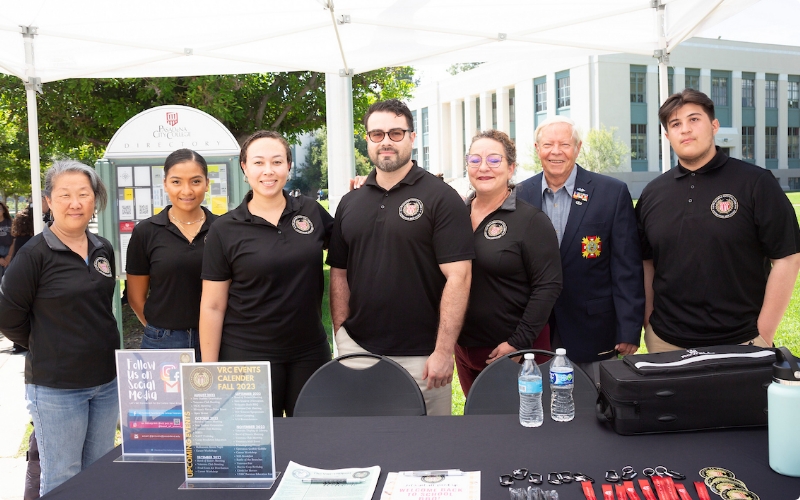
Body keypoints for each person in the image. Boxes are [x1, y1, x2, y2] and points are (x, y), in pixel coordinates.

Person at [327, 99, 474, 415]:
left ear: (412, 137)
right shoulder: (350, 203)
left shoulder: (441, 198)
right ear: (367, 139)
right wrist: (342, 335)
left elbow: (459, 277)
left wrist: (443, 351)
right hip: (358, 351)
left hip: (422, 358)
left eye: (395, 133)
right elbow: (339, 273)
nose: (386, 142)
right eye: (377, 134)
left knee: (426, 456)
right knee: (364, 445)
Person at [636, 89, 800, 352]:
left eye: (694, 120)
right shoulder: (652, 193)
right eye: (675, 124)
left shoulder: (756, 183)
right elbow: (647, 263)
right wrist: (649, 324)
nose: (685, 130)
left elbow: (787, 258)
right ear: (667, 136)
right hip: (666, 342)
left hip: (741, 341)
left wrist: (763, 334)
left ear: (714, 126)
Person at [0, 160, 119, 496]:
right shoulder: (34, 254)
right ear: (49, 201)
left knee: (98, 471)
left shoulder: (101, 247)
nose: (75, 202)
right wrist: (48, 344)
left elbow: (100, 306)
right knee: (63, 476)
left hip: (106, 382)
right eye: (65, 194)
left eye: (83, 194)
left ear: (94, 199)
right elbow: (9, 317)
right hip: (57, 388)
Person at [199, 130, 334, 417]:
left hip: (309, 351)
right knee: (256, 454)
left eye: (277, 162)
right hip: (247, 356)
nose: (268, 171)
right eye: (258, 163)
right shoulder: (225, 229)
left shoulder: (311, 211)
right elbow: (212, 305)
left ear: (288, 166)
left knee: (314, 442)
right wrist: (210, 372)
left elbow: (354, 249)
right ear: (245, 168)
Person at [516, 116, 644, 376]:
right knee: (539, 406)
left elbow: (626, 266)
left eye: (564, 144)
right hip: (534, 332)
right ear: (537, 148)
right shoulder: (518, 195)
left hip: (594, 329)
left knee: (596, 407)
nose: (556, 151)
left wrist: (629, 328)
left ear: (578, 147)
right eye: (548, 144)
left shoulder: (611, 192)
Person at [456, 130, 562, 396]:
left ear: (511, 167)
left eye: (494, 160)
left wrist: (518, 343)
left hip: (515, 353)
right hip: (465, 350)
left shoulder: (531, 221)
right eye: (475, 160)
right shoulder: (455, 217)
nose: (483, 168)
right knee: (479, 427)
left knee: (523, 430)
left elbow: (548, 286)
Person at [126, 149, 217, 360]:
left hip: (218, 337)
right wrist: (160, 330)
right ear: (165, 183)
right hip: (163, 341)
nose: (187, 190)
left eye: (195, 181)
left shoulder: (223, 229)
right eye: (177, 182)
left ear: (207, 183)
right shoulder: (146, 231)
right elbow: (135, 297)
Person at [0, 201, 11, 281]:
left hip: (9, 249)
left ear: (3, 210)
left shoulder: (10, 222)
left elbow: (14, 239)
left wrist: (9, 256)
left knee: (8, 278)